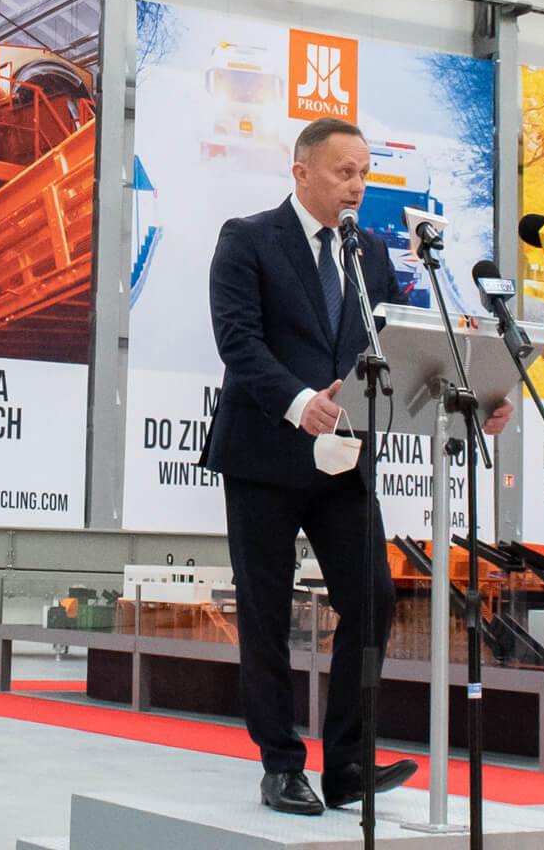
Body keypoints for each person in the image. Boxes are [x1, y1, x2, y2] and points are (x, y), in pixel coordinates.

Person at [201, 116, 511, 816]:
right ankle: (281, 764)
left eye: (365, 173)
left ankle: (346, 760)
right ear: (301, 171)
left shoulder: (368, 253)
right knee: (266, 613)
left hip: (344, 459)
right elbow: (238, 342)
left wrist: (478, 399)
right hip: (264, 454)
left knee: (372, 600)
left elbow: (399, 350)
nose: (358, 186)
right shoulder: (247, 239)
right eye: (345, 172)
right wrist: (299, 401)